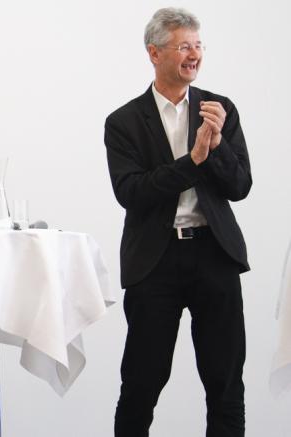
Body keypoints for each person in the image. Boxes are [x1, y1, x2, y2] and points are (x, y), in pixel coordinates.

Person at [104, 8, 252, 436]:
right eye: (183, 46)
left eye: (198, 45)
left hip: (214, 254)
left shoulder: (219, 109)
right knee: (141, 383)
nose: (194, 55)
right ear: (154, 53)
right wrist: (194, 161)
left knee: (225, 384)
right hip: (156, 260)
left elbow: (240, 185)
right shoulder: (124, 121)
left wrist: (218, 145)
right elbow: (131, 192)